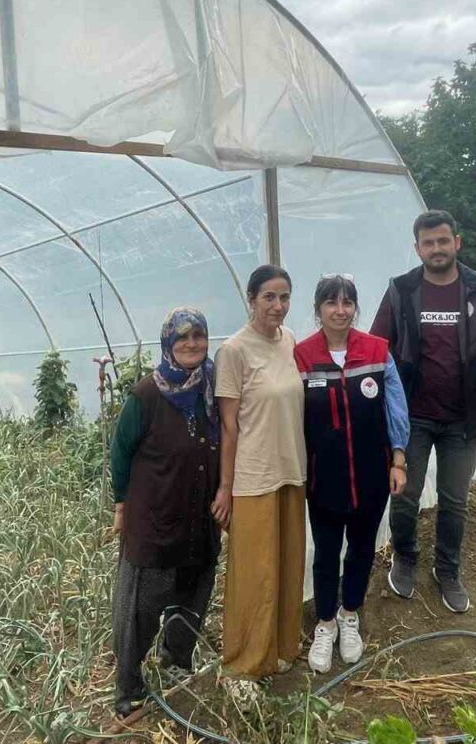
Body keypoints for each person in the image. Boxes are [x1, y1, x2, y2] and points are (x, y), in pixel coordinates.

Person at [370, 210, 476, 613]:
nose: (436, 248)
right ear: (417, 248)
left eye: (442, 240)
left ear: (457, 243)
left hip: (464, 417)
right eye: (428, 242)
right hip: (412, 416)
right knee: (405, 494)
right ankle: (405, 558)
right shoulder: (400, 291)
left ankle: (447, 570)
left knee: (455, 499)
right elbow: (376, 349)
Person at [293, 275, 410, 674]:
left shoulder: (377, 351)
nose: (340, 310)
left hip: (372, 474)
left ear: (355, 308)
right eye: (331, 303)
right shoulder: (302, 357)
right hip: (323, 478)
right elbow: (291, 417)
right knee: (326, 553)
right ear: (318, 309)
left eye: (347, 303)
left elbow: (395, 407)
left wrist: (397, 460)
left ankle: (350, 614)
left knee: (362, 549)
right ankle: (325, 623)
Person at [109, 307, 221, 717]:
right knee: (141, 606)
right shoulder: (146, 396)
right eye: (183, 338)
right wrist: (121, 502)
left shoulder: (214, 389)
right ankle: (128, 683)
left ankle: (177, 661)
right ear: (168, 344)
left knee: (192, 595)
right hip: (154, 519)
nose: (192, 344)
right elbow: (120, 453)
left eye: (199, 336)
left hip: (200, 517)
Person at [212, 264, 306, 685]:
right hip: (253, 476)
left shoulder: (290, 341)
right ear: (250, 300)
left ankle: (284, 648)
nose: (278, 305)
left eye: (284, 297)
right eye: (269, 296)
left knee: (288, 564)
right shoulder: (233, 351)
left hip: (291, 469)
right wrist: (225, 488)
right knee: (254, 572)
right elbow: (229, 427)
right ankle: (246, 660)